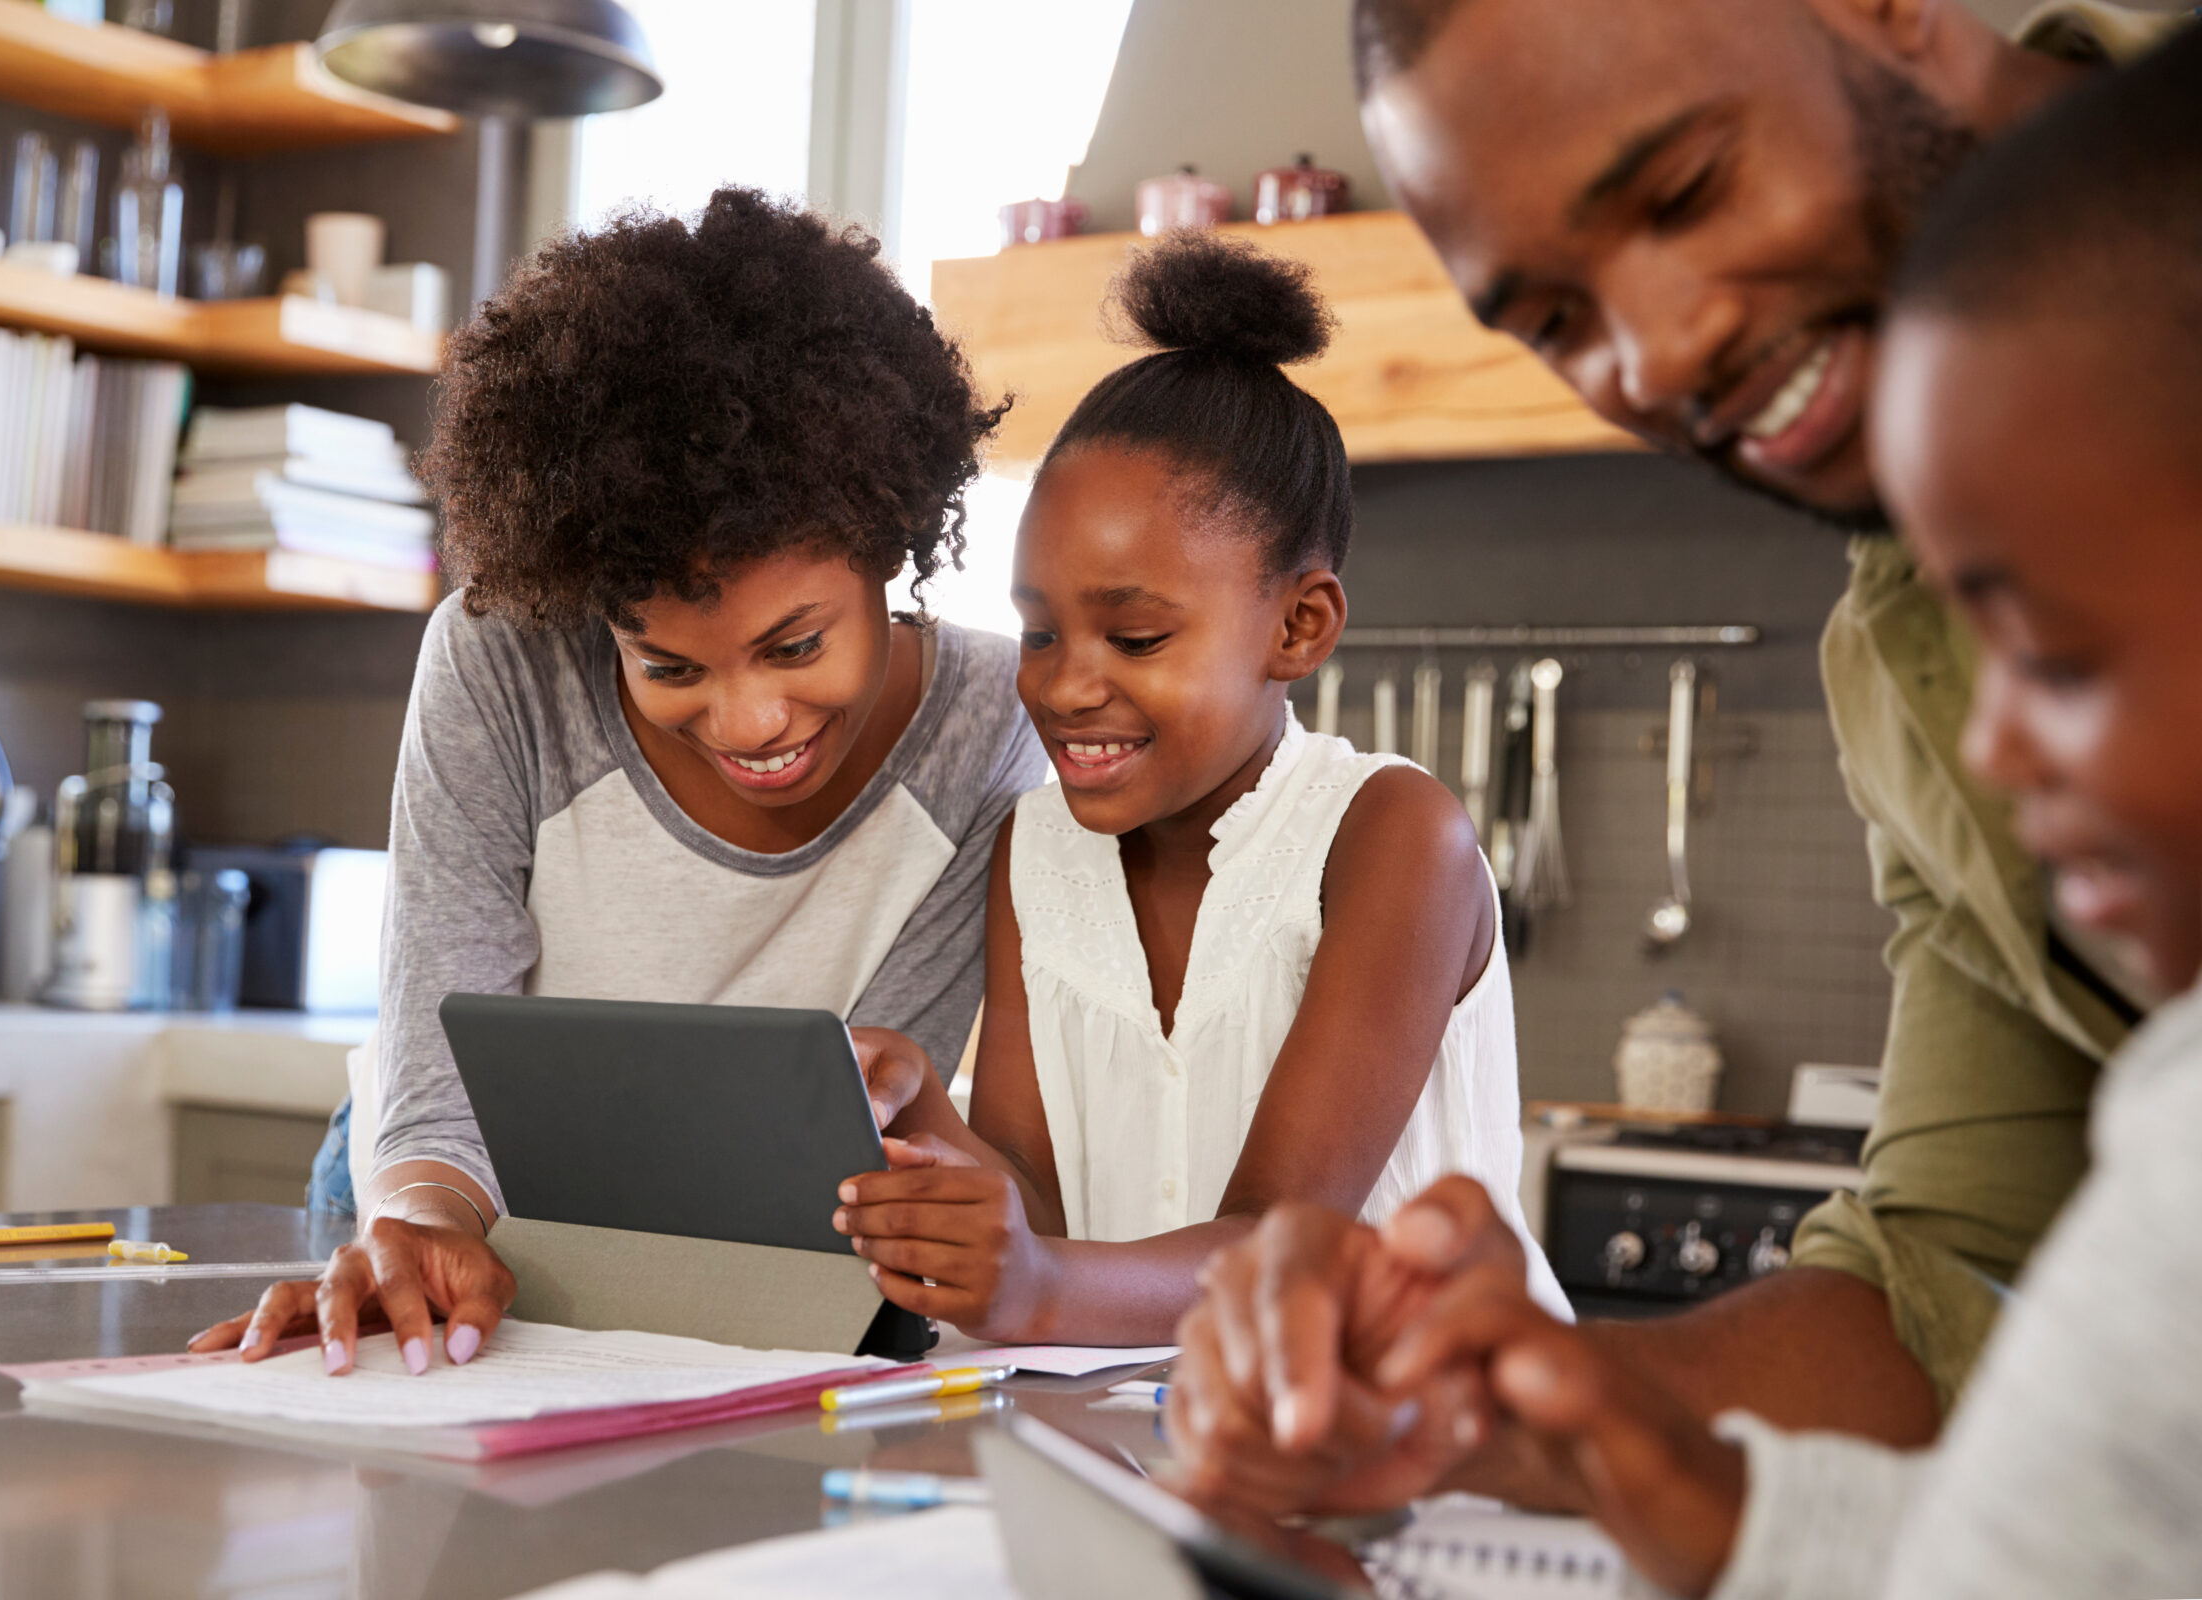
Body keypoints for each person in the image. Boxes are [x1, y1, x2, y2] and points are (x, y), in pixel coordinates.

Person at [1172, 34, 2202, 1598]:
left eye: (1684, 187)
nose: (1648, 363)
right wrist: (1534, 1408)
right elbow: (1958, 1262)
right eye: (1557, 321)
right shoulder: (1889, 652)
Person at [188, 189, 1047, 1374]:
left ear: (891, 546)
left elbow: (853, 1133)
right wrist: (424, 1227)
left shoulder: (991, 727)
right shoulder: (498, 660)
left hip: (744, 1242)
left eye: (797, 645)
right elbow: (438, 1042)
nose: (751, 720)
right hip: (441, 1195)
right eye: (669, 664)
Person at [827, 234, 1568, 1345]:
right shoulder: (1034, 848)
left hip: (1438, 1449)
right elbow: (1041, 1211)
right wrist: (920, 1104)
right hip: (1163, 1447)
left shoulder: (1393, 836)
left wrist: (1038, 1286)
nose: (1067, 684)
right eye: (1039, 632)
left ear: (1297, 625)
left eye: (1135, 635)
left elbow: (1284, 1238)